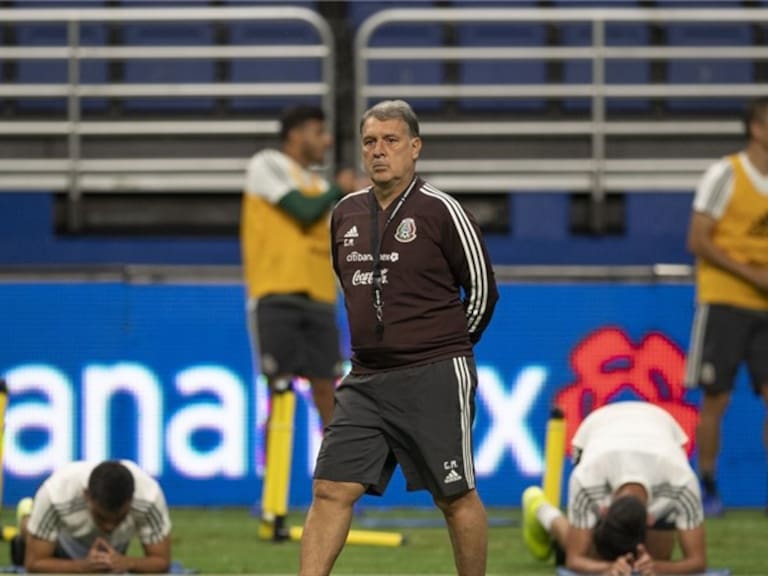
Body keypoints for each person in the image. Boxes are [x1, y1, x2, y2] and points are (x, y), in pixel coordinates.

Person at [297, 99, 498, 576]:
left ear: (415, 148)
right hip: (366, 377)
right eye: (370, 142)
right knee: (330, 488)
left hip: (433, 372)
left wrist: (443, 347)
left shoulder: (442, 210)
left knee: (454, 495)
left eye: (390, 141)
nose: (378, 151)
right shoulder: (343, 213)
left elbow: (484, 291)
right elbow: (349, 287)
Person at [241, 105, 362, 428]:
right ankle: (273, 476)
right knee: (279, 389)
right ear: (295, 135)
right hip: (277, 294)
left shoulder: (322, 188)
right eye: (319, 132)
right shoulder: (267, 164)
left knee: (328, 391)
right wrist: (340, 188)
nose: (327, 141)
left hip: (320, 299)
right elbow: (302, 210)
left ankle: (339, 476)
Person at [684, 96, 768, 517]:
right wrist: (752, 274)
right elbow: (698, 239)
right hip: (725, 301)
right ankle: (709, 483)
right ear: (756, 127)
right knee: (716, 397)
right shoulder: (726, 174)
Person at [522, 401, 707, 576]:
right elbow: (574, 559)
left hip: (662, 425)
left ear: (651, 519)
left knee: (657, 559)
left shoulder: (681, 482)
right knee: (593, 555)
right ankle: (541, 508)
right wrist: (609, 566)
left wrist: (655, 566)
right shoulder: (587, 478)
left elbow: (698, 561)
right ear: (603, 510)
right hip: (596, 426)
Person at [13, 460, 171, 573]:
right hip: (64, 538)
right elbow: (34, 563)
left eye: (119, 519)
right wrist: (82, 567)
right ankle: (28, 515)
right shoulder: (55, 494)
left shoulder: (149, 497)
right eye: (101, 518)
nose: (109, 527)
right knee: (30, 533)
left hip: (117, 545)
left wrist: (127, 562)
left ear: (131, 499)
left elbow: (162, 562)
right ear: (86, 496)